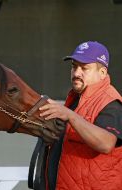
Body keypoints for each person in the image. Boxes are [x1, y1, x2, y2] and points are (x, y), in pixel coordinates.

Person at [39, 41, 122, 190]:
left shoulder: (111, 102)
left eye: (84, 68)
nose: (77, 73)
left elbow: (106, 143)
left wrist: (70, 116)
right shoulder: (76, 98)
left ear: (102, 73)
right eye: (74, 66)